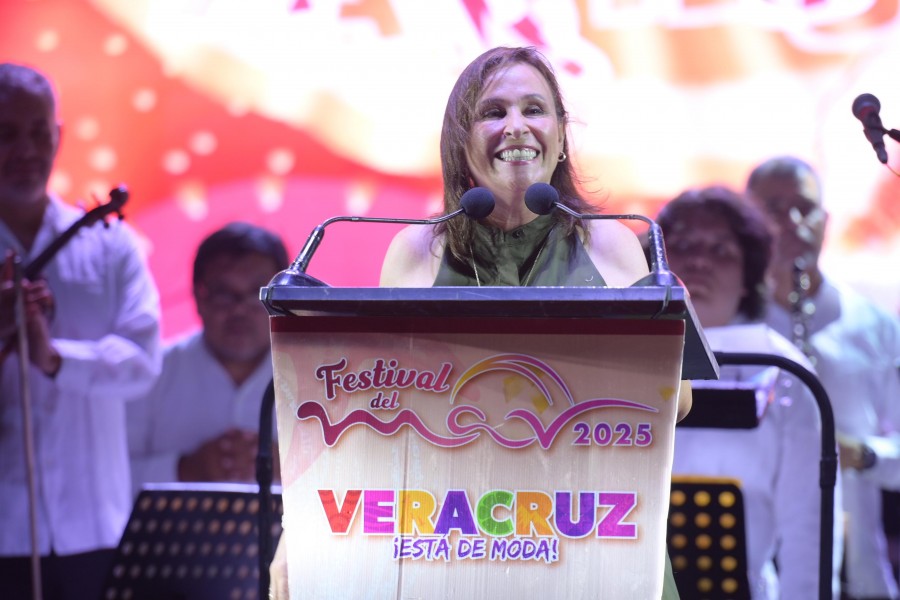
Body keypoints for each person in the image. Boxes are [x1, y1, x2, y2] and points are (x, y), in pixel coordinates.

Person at [378, 46, 689, 599]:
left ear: (562, 137)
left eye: (534, 109)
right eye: (493, 112)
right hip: (456, 537)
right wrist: (294, 533)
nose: (516, 126)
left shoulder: (614, 243)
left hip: (596, 533)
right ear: (460, 141)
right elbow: (373, 417)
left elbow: (677, 398)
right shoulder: (416, 252)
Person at [0, 63, 161, 600]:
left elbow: (142, 362)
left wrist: (53, 357)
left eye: (38, 132)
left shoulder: (111, 245)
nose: (25, 150)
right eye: (6, 133)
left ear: (59, 135)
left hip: (94, 524)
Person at [657, 186, 842, 599]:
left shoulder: (782, 368)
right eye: (683, 246)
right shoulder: (621, 353)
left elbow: (809, 529)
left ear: (749, 277)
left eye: (721, 250)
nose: (699, 261)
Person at [746, 156, 900, 600]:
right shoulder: (732, 326)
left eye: (804, 208)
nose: (792, 221)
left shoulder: (874, 326)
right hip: (756, 578)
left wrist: (863, 454)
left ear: (826, 222)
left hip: (861, 576)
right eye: (774, 208)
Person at [127, 222, 287, 494]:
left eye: (257, 294)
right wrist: (185, 470)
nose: (239, 310)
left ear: (285, 299)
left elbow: (357, 481)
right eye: (224, 294)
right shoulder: (149, 372)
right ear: (198, 298)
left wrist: (292, 468)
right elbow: (103, 480)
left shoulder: (318, 377)